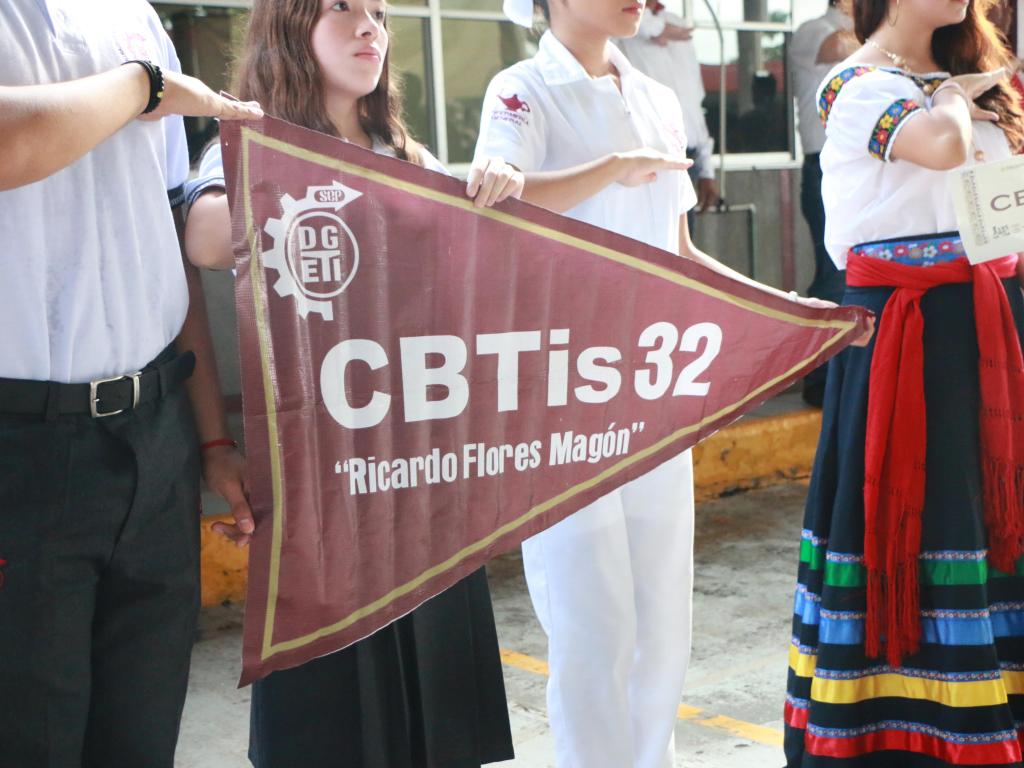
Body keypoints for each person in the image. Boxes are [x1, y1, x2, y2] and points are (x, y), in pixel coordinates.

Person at [476, 2, 862, 766]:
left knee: (661, 622)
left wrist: (791, 313)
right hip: (567, 397)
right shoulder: (521, 90)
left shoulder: (654, 97)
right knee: (592, 625)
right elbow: (499, 201)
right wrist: (611, 168)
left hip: (655, 390)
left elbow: (679, 254)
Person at [184, 1, 524, 766]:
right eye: (341, 8)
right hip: (324, 485)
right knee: (330, 718)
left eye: (377, 12)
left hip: (420, 471)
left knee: (436, 719)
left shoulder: (404, 151)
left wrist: (494, 187)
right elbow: (204, 235)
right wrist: (359, 195)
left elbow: (478, 254)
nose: (370, 26)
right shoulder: (250, 139)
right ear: (287, 29)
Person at [0, 1, 262, 766]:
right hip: (22, 445)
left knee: (141, 737)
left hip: (154, 435)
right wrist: (144, 84)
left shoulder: (134, 15)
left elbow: (165, 238)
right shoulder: (139, 61)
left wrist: (210, 440)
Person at [784, 0, 1024, 764]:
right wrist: (956, 93)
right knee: (922, 518)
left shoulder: (975, 75)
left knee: (992, 521)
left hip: (990, 322)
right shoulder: (856, 85)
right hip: (907, 336)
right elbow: (944, 146)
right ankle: (901, 738)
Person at [789, 0, 856, 406]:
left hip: (858, 168)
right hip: (823, 169)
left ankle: (841, 379)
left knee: (853, 275)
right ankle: (818, 380)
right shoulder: (813, 30)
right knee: (833, 276)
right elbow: (839, 47)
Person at [615, 0, 720, 216]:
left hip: (686, 160)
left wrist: (706, 168)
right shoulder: (623, 25)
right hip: (647, 162)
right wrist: (657, 28)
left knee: (682, 237)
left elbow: (694, 102)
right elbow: (604, 17)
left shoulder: (676, 24)